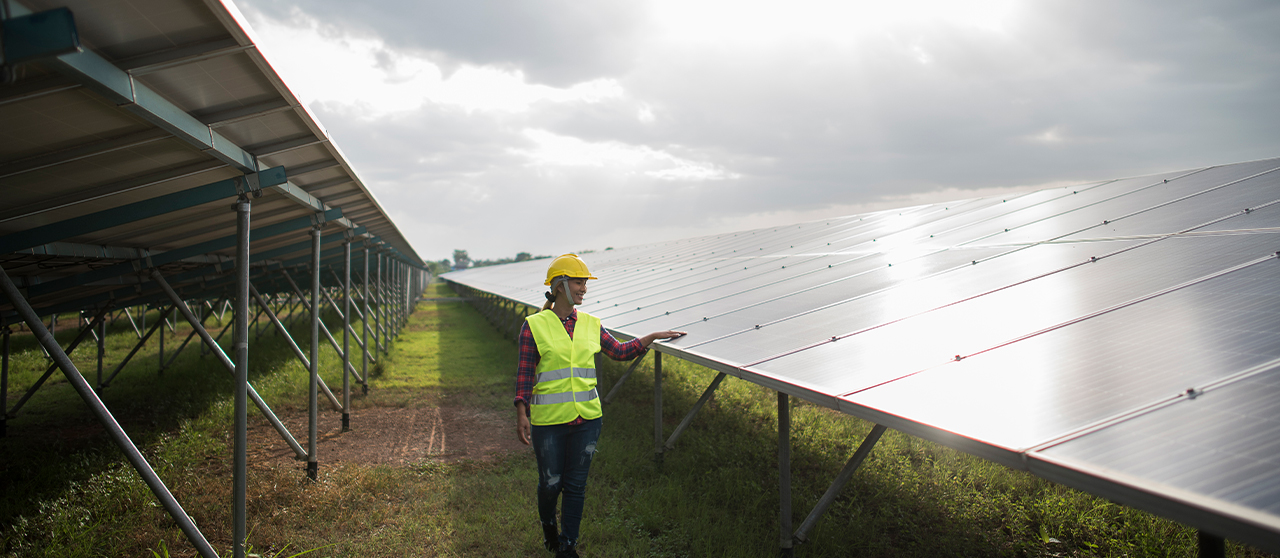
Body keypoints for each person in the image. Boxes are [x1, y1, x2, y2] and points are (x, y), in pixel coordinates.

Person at [514, 254, 684, 557]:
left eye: (584, 283)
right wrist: (521, 412)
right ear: (560, 285)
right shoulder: (534, 326)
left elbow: (619, 352)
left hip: (588, 420)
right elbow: (525, 373)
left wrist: (651, 336)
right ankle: (547, 525)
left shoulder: (592, 324)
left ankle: (568, 546)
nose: (584, 289)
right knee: (551, 484)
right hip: (549, 422)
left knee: (576, 486)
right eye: (579, 282)